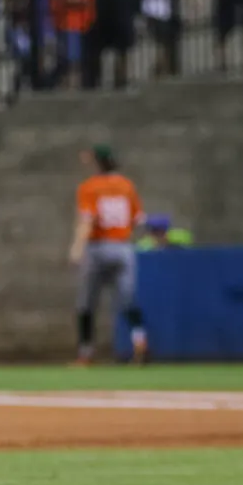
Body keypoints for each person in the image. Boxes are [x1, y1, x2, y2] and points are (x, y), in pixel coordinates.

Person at [68, 144, 148, 365]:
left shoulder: (90, 187)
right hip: (123, 247)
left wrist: (77, 247)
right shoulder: (126, 185)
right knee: (127, 299)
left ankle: (85, 353)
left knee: (86, 303)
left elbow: (88, 219)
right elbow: (138, 220)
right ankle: (139, 339)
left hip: (97, 247)